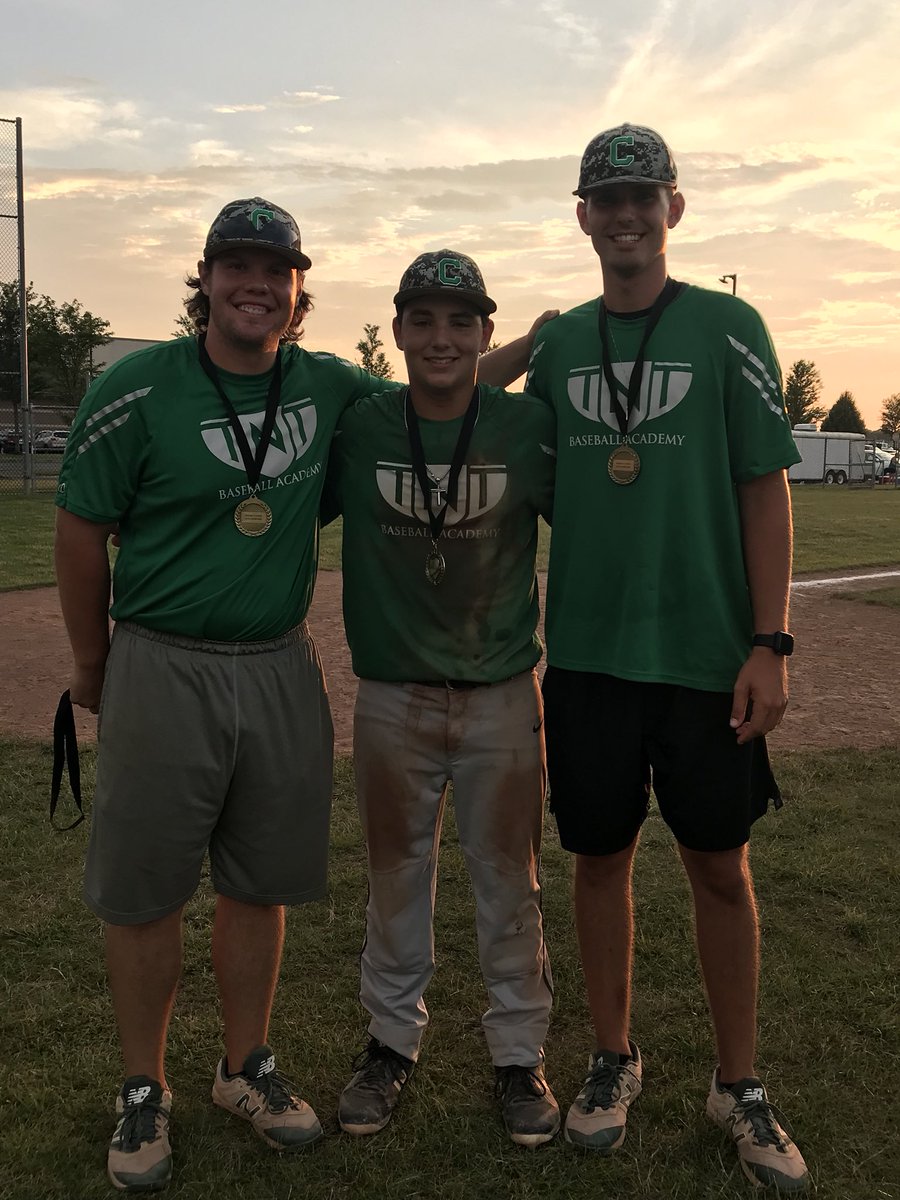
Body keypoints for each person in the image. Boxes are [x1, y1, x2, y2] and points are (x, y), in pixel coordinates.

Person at [54, 200, 539, 1192]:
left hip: (278, 663)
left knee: (259, 881)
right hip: (161, 656)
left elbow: (443, 385)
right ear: (205, 276)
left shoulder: (327, 387)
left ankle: (247, 1066)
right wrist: (94, 664)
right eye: (237, 266)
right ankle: (143, 1086)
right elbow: (78, 527)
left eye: (275, 272)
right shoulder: (141, 386)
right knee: (146, 887)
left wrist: (542, 342)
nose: (256, 285)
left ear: (299, 290)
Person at [524, 126, 809, 1191]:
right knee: (598, 860)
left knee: (719, 869)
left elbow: (763, 488)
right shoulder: (558, 348)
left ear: (673, 210)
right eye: (607, 199)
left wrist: (769, 642)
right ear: (584, 215)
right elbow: (534, 476)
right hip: (591, 658)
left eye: (644, 196)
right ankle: (611, 1058)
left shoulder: (729, 326)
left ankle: (737, 1084)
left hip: (703, 658)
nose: (627, 215)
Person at [324, 251, 559, 1147]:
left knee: (510, 883)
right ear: (397, 332)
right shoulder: (361, 426)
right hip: (392, 694)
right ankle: (389, 1044)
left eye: (461, 322)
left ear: (487, 334)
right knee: (394, 878)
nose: (441, 337)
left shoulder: (526, 427)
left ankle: (518, 1054)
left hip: (500, 691)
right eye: (422, 320)